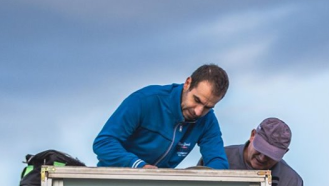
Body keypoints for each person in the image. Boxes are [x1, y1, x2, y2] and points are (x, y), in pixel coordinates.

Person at [93, 64, 230, 169]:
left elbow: (218, 163)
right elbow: (104, 143)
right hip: (114, 182)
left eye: (208, 107)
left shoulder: (207, 120)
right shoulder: (145, 100)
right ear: (188, 83)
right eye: (197, 100)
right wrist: (139, 166)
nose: (198, 112)